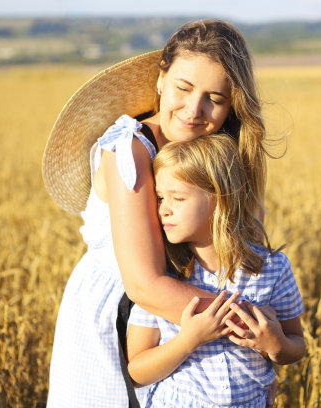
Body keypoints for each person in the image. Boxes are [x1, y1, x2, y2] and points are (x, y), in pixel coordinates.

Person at [42, 20, 273, 407]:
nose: (193, 110)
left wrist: (259, 363)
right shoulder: (128, 149)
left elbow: (248, 243)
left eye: (214, 98)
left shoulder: (217, 155)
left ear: (233, 104)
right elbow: (144, 285)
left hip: (192, 315)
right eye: (184, 88)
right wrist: (252, 328)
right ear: (161, 78)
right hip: (122, 319)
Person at [127, 134, 305, 408]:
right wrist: (188, 340)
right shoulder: (163, 275)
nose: (163, 210)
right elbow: (138, 372)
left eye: (178, 198)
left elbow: (297, 345)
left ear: (219, 200)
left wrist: (274, 343)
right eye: (161, 198)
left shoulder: (273, 269)